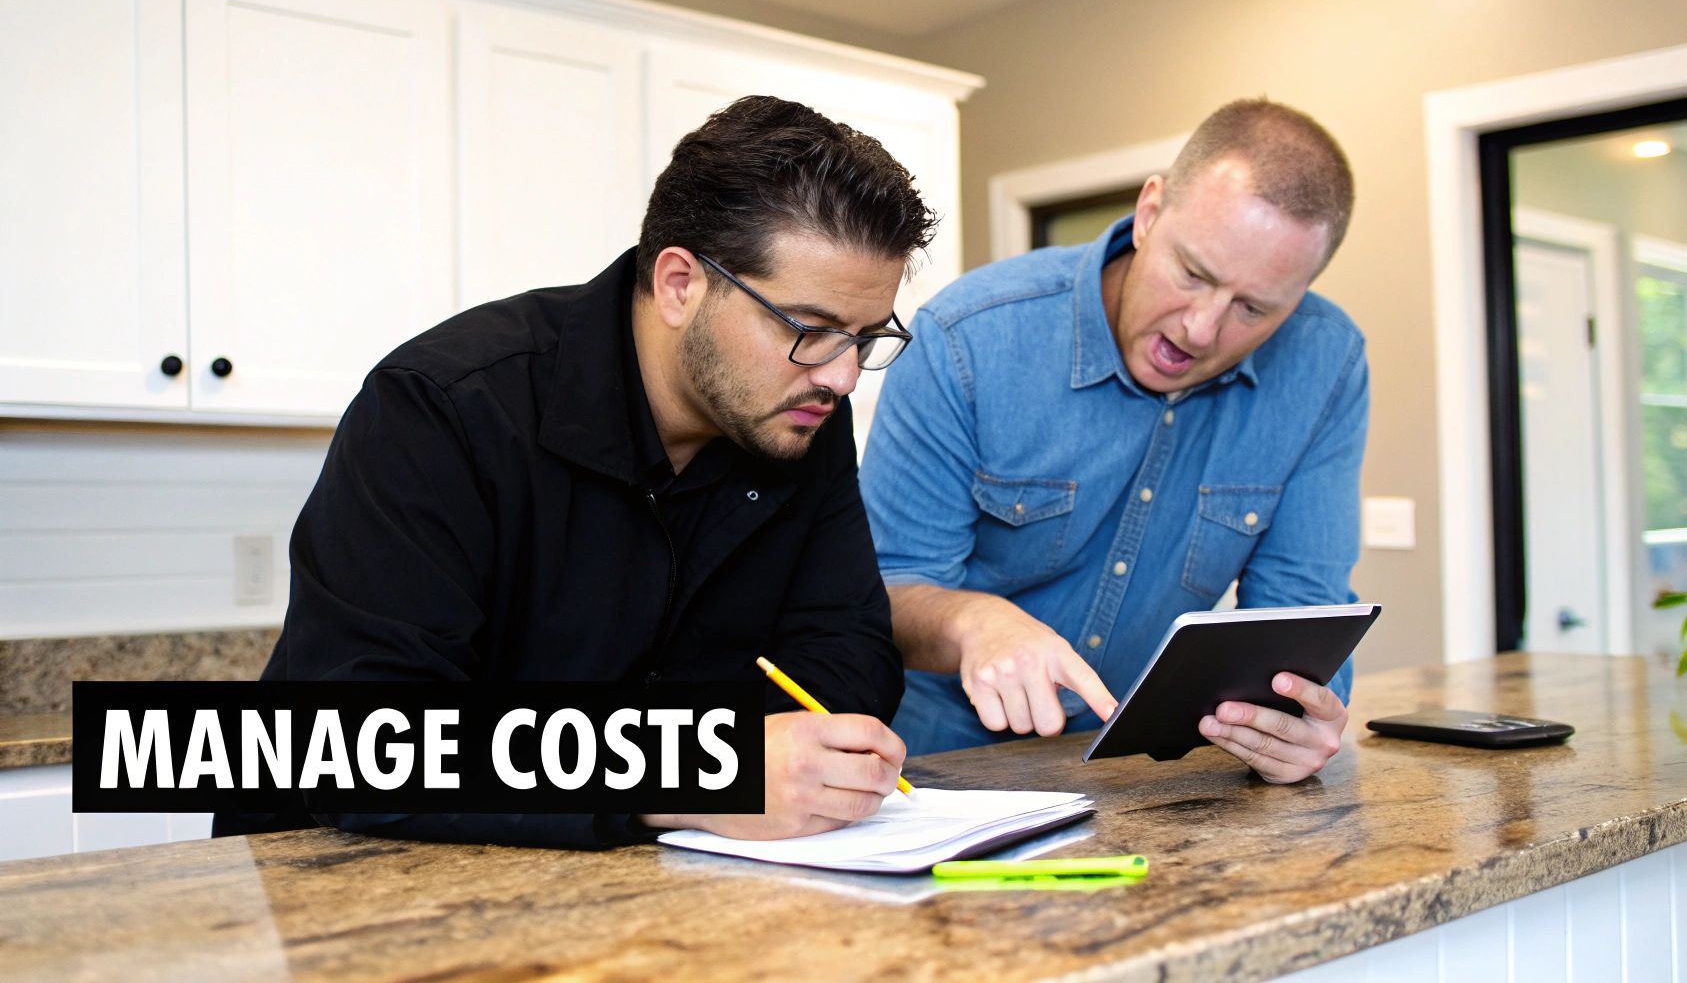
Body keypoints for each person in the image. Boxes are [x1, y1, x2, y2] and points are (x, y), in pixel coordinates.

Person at [214, 96, 936, 847]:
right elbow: (364, 744)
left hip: (656, 873)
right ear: (680, 285)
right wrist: (698, 766)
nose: (843, 376)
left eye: (865, 337)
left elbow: (848, 651)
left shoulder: (798, 407)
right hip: (339, 877)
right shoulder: (442, 406)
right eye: (809, 328)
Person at [860, 98, 1366, 785]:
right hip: (940, 768)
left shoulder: (1328, 364)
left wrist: (1299, 721)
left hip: (1146, 771)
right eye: (1193, 273)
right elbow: (883, 592)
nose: (1200, 330)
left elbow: (1302, 606)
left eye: (1253, 308)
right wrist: (975, 621)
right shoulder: (966, 339)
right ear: (1149, 212)